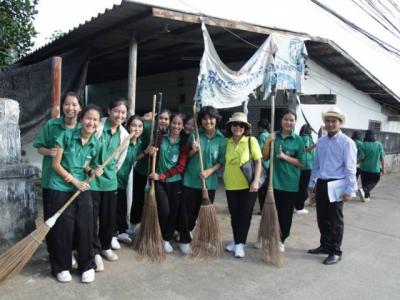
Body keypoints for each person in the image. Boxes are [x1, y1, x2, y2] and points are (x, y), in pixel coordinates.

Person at [47, 104, 103, 283]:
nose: (91, 122)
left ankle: (86, 264)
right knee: (64, 228)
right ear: (81, 119)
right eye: (88, 118)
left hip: (82, 186)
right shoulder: (66, 135)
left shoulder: (96, 142)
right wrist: (74, 181)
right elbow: (56, 165)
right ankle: (61, 266)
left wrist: (93, 171)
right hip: (60, 186)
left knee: (86, 225)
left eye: (95, 120)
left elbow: (87, 165)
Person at [308, 106, 357, 265]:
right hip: (322, 182)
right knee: (322, 217)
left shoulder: (347, 143)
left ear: (340, 123)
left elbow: (350, 168)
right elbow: (316, 164)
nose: (330, 124)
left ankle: (335, 251)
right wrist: (312, 183)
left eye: (333, 121)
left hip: (337, 184)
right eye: (327, 121)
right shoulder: (321, 141)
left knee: (335, 220)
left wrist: (350, 190)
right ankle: (325, 245)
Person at [90, 98, 129, 271]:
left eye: (123, 112)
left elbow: (120, 161)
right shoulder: (97, 126)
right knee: (91, 219)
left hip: (110, 182)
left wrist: (110, 173)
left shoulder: (125, 135)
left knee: (108, 218)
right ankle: (94, 251)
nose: (119, 115)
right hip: (91, 181)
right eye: (117, 111)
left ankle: (105, 246)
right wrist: (90, 169)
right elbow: (87, 151)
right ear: (109, 110)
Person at [33, 92, 82, 222]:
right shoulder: (52, 125)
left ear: (80, 108)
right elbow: (39, 148)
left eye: (74, 105)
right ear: (62, 106)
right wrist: (50, 152)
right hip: (51, 179)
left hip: (74, 180)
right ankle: (50, 241)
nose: (70, 108)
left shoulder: (83, 128)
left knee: (69, 217)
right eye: (66, 104)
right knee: (50, 214)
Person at [262, 110, 305, 252]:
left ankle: (281, 239)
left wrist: (284, 157)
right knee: (270, 212)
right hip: (272, 183)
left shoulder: (298, 140)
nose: (288, 122)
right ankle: (267, 237)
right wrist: (268, 142)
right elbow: (265, 157)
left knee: (285, 215)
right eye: (286, 119)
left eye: (291, 120)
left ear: (295, 122)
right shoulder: (274, 136)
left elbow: (301, 163)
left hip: (289, 184)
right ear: (281, 121)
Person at [149, 114, 190, 254]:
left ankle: (166, 239)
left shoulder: (184, 143)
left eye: (179, 124)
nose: (176, 126)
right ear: (170, 123)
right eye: (174, 123)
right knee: (164, 211)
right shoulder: (160, 138)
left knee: (173, 213)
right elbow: (151, 153)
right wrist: (151, 151)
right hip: (159, 183)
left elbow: (180, 167)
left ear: (183, 126)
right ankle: (158, 235)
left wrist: (162, 175)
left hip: (174, 182)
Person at [182, 106, 226, 239]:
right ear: (200, 120)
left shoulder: (221, 140)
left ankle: (203, 237)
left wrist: (209, 171)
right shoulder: (195, 135)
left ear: (216, 120)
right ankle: (185, 236)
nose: (208, 122)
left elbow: (221, 162)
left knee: (204, 213)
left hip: (209, 183)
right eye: (204, 119)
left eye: (211, 118)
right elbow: (186, 156)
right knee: (188, 212)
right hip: (190, 180)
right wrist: (193, 150)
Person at [223, 112, 262, 258]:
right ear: (230, 127)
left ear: (245, 127)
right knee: (234, 215)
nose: (237, 127)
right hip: (230, 185)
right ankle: (236, 239)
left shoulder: (251, 141)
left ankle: (240, 244)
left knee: (245, 215)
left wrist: (256, 180)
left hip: (248, 186)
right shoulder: (226, 142)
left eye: (241, 125)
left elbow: (258, 162)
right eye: (234, 124)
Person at [129, 109, 171, 235]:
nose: (163, 121)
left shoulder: (170, 133)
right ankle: (133, 225)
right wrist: (144, 118)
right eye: (161, 118)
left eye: (166, 119)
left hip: (159, 174)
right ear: (156, 119)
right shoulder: (148, 127)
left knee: (156, 202)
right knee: (138, 199)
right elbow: (136, 124)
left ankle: (153, 228)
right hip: (142, 170)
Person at [115, 115, 144, 243]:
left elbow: (134, 158)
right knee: (115, 207)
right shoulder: (123, 140)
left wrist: (146, 152)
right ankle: (113, 234)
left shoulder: (138, 143)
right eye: (133, 125)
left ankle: (121, 231)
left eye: (140, 126)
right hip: (113, 179)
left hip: (123, 180)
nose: (136, 129)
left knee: (121, 206)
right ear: (127, 126)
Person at [359, 130, 385, 202]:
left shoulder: (363, 145)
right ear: (374, 136)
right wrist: (383, 168)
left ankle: (366, 197)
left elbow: (361, 157)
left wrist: (356, 162)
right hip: (375, 169)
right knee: (374, 181)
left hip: (364, 168)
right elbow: (382, 158)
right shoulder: (378, 145)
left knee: (365, 182)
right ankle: (364, 192)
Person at [295, 124, 316, 214]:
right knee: (303, 188)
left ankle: (296, 205)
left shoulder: (299, 138)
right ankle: (299, 207)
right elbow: (306, 149)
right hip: (307, 166)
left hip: (301, 166)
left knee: (300, 187)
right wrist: (314, 146)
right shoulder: (307, 138)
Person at [256, 118, 270, 213]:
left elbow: (259, 153)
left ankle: (262, 209)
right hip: (269, 165)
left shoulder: (261, 137)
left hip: (263, 166)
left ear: (260, 127)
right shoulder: (269, 135)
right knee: (266, 188)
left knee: (261, 188)